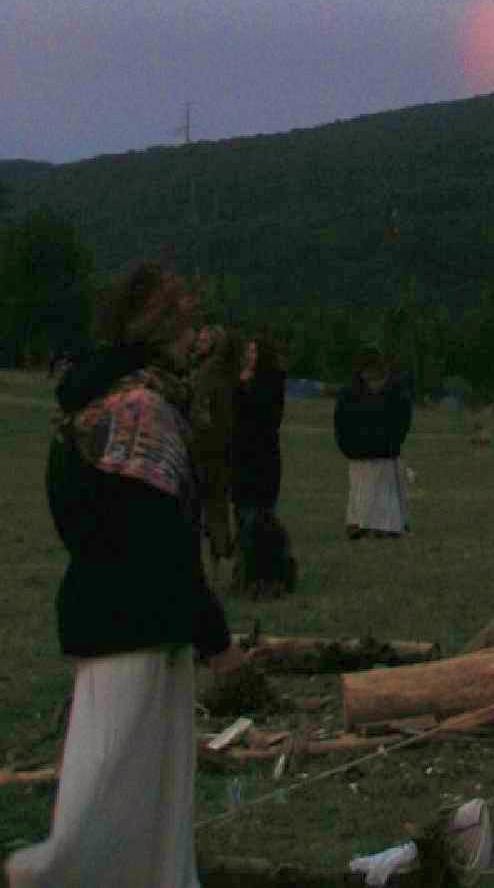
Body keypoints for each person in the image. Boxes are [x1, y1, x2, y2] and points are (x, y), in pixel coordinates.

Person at [7, 261, 244, 888]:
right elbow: (161, 540)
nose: (195, 338)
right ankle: (42, 876)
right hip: (131, 614)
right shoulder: (140, 410)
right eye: (185, 324)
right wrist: (216, 639)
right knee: (111, 780)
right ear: (159, 328)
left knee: (153, 785)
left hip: (126, 608)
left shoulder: (102, 398)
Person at [232, 330, 293, 594]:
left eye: (254, 351)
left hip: (262, 457)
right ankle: (245, 572)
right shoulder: (238, 380)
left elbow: (266, 417)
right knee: (243, 516)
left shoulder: (271, 382)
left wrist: (244, 388)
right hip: (241, 457)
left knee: (259, 519)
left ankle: (263, 574)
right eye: (247, 351)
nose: (249, 355)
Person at [335, 349, 413, 538]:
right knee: (363, 489)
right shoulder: (351, 394)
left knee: (377, 489)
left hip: (382, 453)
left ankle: (380, 524)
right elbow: (342, 423)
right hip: (364, 453)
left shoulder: (394, 392)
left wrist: (391, 444)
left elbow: (401, 422)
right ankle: (364, 523)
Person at [189, 321, 239, 567]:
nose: (198, 344)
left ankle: (210, 561)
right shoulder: (229, 372)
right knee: (218, 507)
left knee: (203, 507)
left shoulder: (206, 372)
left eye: (204, 341)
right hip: (223, 446)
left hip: (205, 448)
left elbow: (200, 410)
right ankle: (221, 558)